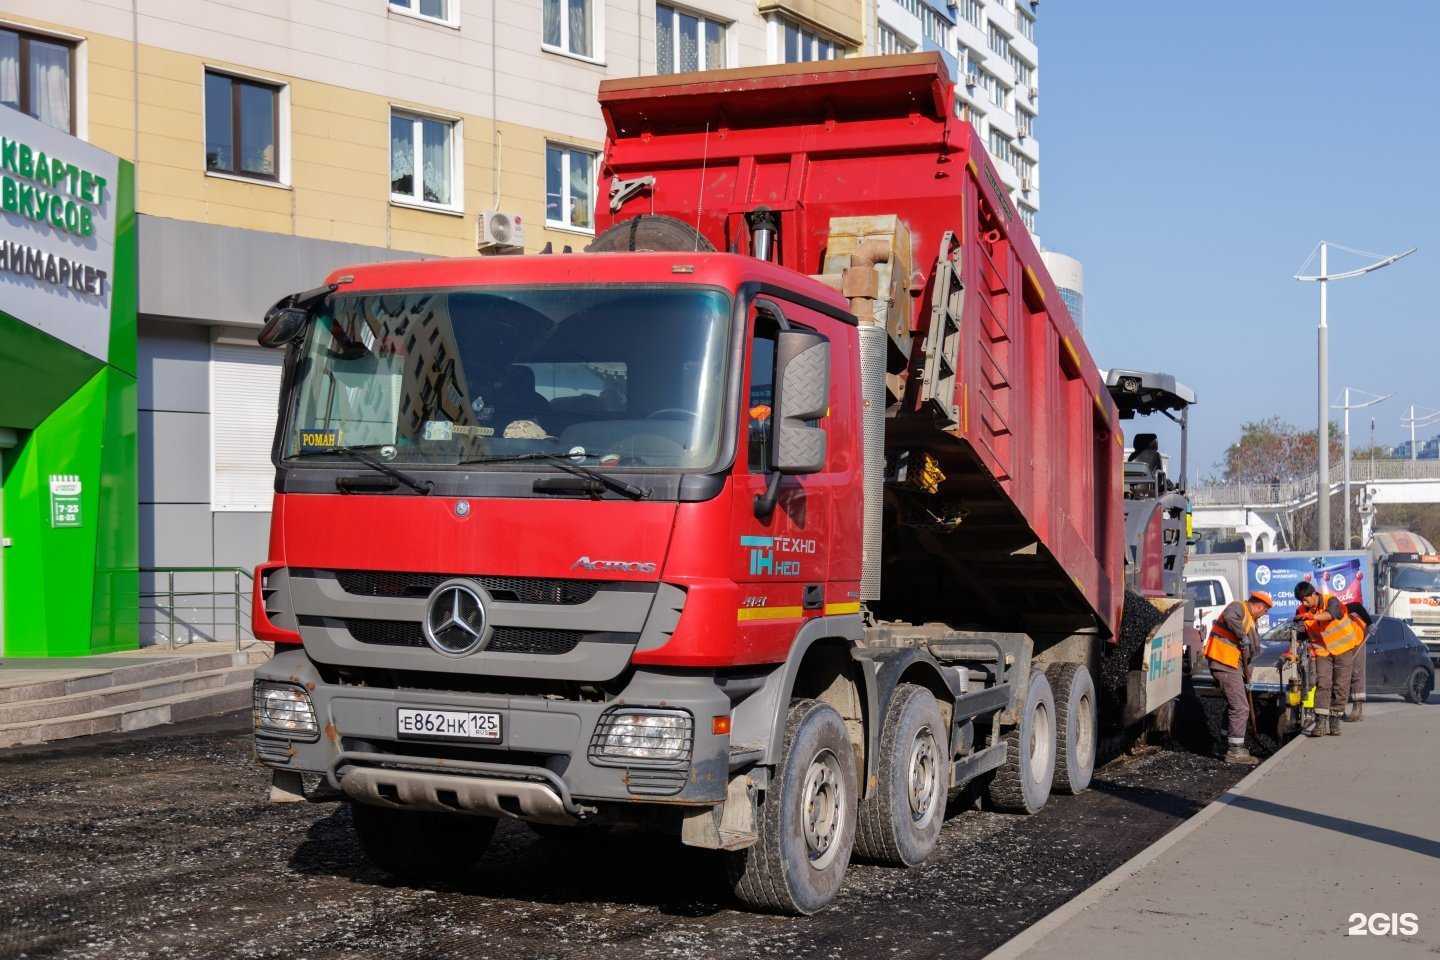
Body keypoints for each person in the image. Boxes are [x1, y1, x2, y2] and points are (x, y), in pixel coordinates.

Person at [1202, 590, 1273, 765]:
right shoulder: (1238, 607)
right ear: (1259, 606)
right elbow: (1229, 617)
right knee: (1241, 707)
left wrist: (1248, 671)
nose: (1265, 614)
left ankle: (1224, 743)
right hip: (1223, 661)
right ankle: (1235, 751)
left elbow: (1252, 649)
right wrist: (1243, 637)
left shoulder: (1250, 620)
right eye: (1265, 611)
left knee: (1235, 705)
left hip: (1233, 665)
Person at [1293, 581, 1365, 736]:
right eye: (1301, 601)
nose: (1304, 604)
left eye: (1306, 600)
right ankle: (1320, 723)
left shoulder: (1331, 601)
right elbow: (1301, 633)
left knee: (1341, 685)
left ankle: (1335, 720)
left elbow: (1331, 614)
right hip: (1322, 651)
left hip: (1343, 648)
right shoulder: (1301, 610)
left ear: (1314, 594)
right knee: (1323, 684)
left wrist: (1312, 616)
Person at [1344, 602, 1372, 722]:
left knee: (1356, 672)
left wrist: (1370, 623)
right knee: (1342, 675)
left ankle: (1357, 708)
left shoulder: (1338, 609)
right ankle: (1339, 709)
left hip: (1357, 637)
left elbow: (1357, 606)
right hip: (1342, 643)